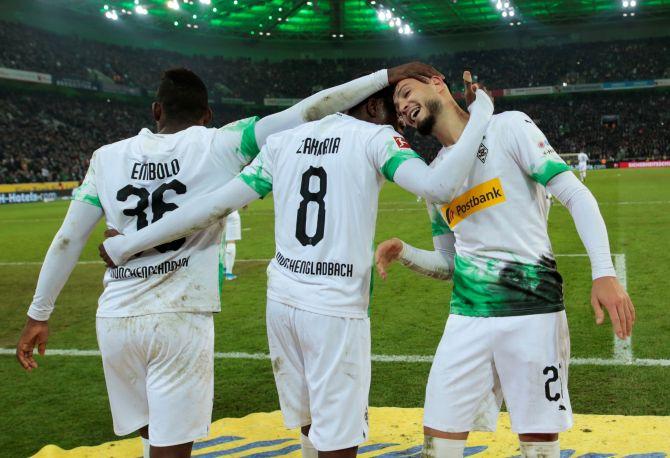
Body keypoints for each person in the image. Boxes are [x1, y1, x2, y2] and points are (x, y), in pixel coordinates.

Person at [15, 63, 444, 458]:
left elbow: (69, 239)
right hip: (185, 313)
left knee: (152, 433)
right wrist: (394, 76)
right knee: (179, 441)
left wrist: (42, 310)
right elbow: (313, 110)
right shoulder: (221, 143)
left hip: (118, 315)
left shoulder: (105, 157)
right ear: (207, 115)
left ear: (156, 109)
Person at [97, 79, 494, 457]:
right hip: (334, 306)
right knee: (338, 432)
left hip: (282, 304)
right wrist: (481, 112)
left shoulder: (281, 143)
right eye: (393, 113)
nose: (400, 123)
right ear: (373, 106)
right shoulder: (376, 137)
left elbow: (212, 207)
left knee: (308, 419)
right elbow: (439, 187)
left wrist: (129, 243)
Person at [375, 74, 636, 458]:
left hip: (533, 313)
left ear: (437, 84)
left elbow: (575, 194)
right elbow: (449, 263)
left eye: (405, 92)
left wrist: (604, 272)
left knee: (538, 447)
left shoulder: (509, 126)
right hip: (467, 318)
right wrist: (406, 253)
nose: (402, 107)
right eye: (397, 108)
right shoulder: (435, 179)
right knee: (438, 442)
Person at [222, 209, 242, 280]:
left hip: (220, 213)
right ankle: (229, 273)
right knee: (231, 241)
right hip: (232, 212)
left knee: (222, 241)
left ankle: (223, 268)